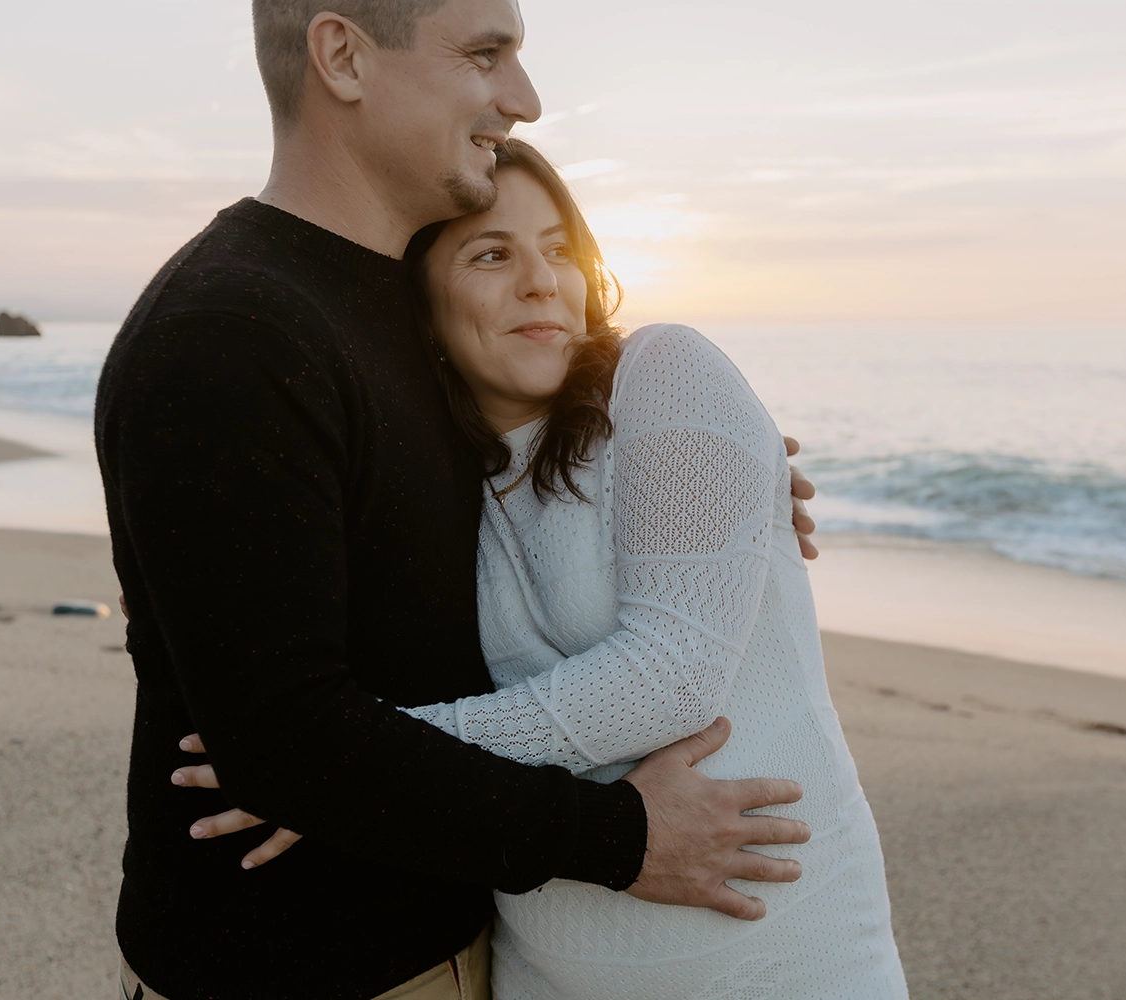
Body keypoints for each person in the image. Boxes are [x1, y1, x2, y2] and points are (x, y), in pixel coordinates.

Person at [93, 2, 819, 998]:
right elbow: (289, 745)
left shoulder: (393, 309)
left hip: (459, 945)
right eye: (487, 55)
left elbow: (492, 472)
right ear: (343, 55)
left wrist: (717, 469)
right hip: (300, 968)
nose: (523, 101)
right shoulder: (233, 334)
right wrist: (621, 838)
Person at [178, 140, 910, 997]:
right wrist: (338, 763)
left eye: (560, 249)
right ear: (417, 306)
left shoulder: (663, 375)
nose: (540, 281)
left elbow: (669, 679)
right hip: (540, 971)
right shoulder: (421, 478)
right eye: (492, 254)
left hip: (775, 957)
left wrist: (338, 771)